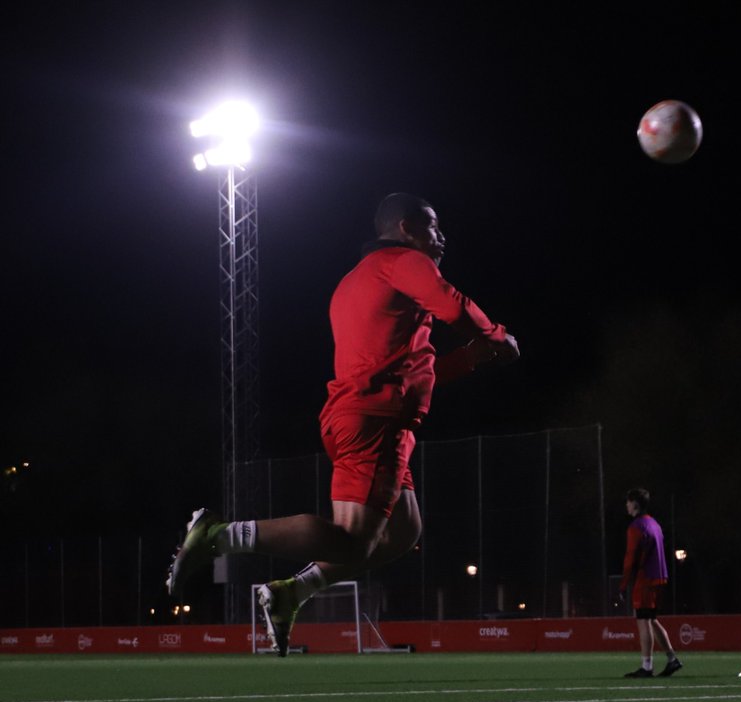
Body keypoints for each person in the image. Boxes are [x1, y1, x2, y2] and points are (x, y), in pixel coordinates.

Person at [166, 192, 520, 655]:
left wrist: (471, 360)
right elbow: (453, 305)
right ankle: (218, 535)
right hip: (375, 419)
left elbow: (413, 369)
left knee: (402, 532)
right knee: (352, 541)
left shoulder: (357, 280)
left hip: (370, 418)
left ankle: (292, 591)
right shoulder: (403, 261)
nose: (441, 237)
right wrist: (497, 337)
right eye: (432, 226)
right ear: (406, 229)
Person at [616, 487, 683, 678]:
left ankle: (647, 666)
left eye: (628, 502)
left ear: (635, 503)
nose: (626, 506)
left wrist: (624, 583)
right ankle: (672, 659)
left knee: (643, 620)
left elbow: (631, 557)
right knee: (652, 619)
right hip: (660, 576)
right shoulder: (654, 523)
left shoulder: (636, 526)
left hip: (646, 578)